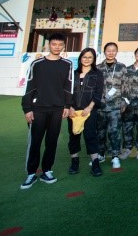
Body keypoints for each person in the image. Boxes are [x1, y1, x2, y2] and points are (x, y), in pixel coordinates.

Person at [21, 32, 73, 189]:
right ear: (48, 45)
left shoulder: (67, 64)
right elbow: (30, 86)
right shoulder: (37, 64)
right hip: (38, 109)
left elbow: (68, 86)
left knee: (52, 142)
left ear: (63, 46)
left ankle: (47, 170)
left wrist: (67, 106)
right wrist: (27, 108)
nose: (57, 47)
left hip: (57, 110)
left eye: (60, 44)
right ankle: (31, 173)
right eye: (54, 44)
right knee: (35, 142)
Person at [67, 47, 103, 177]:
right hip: (73, 111)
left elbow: (98, 92)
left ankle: (95, 164)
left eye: (90, 57)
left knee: (90, 136)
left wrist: (89, 107)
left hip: (90, 111)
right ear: (80, 58)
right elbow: (67, 92)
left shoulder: (97, 74)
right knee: (74, 136)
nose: (87, 59)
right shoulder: (72, 73)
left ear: (94, 59)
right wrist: (69, 107)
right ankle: (74, 162)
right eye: (84, 57)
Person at [97, 41, 127, 170]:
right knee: (100, 132)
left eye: (113, 50)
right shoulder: (97, 67)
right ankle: (101, 154)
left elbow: (126, 86)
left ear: (116, 52)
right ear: (104, 52)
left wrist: (124, 102)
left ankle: (115, 156)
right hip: (100, 106)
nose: (111, 53)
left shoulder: (122, 67)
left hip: (115, 106)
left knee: (115, 132)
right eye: (108, 50)